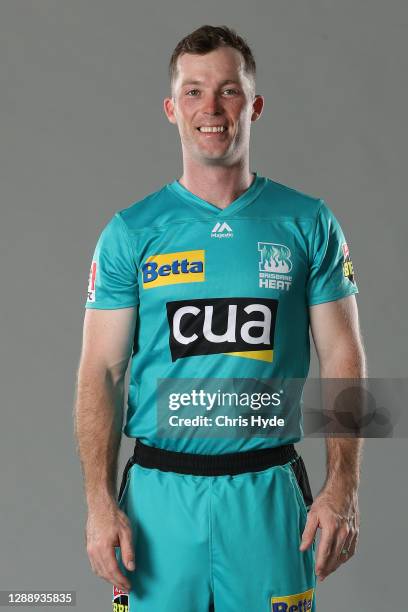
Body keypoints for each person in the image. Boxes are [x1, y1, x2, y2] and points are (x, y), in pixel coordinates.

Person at [74, 24, 366, 612]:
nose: (211, 108)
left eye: (228, 91)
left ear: (253, 105)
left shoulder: (308, 221)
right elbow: (100, 372)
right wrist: (99, 504)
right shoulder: (130, 231)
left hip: (267, 492)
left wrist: (345, 486)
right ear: (171, 108)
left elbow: (345, 356)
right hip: (159, 499)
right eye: (193, 92)